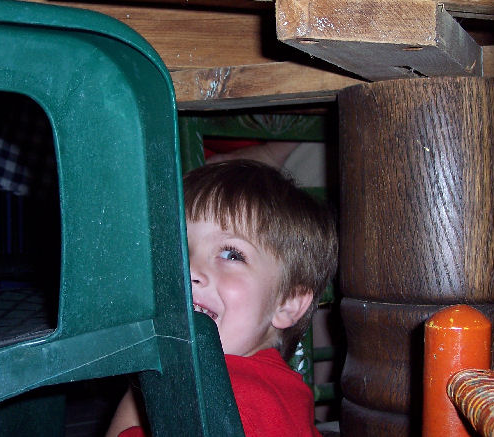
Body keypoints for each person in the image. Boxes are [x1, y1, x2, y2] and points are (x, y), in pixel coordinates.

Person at [106, 159, 338, 437]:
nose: (188, 269)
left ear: (288, 303)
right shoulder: (271, 391)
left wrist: (145, 382)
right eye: (177, 249)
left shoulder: (229, 400)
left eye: (231, 254)